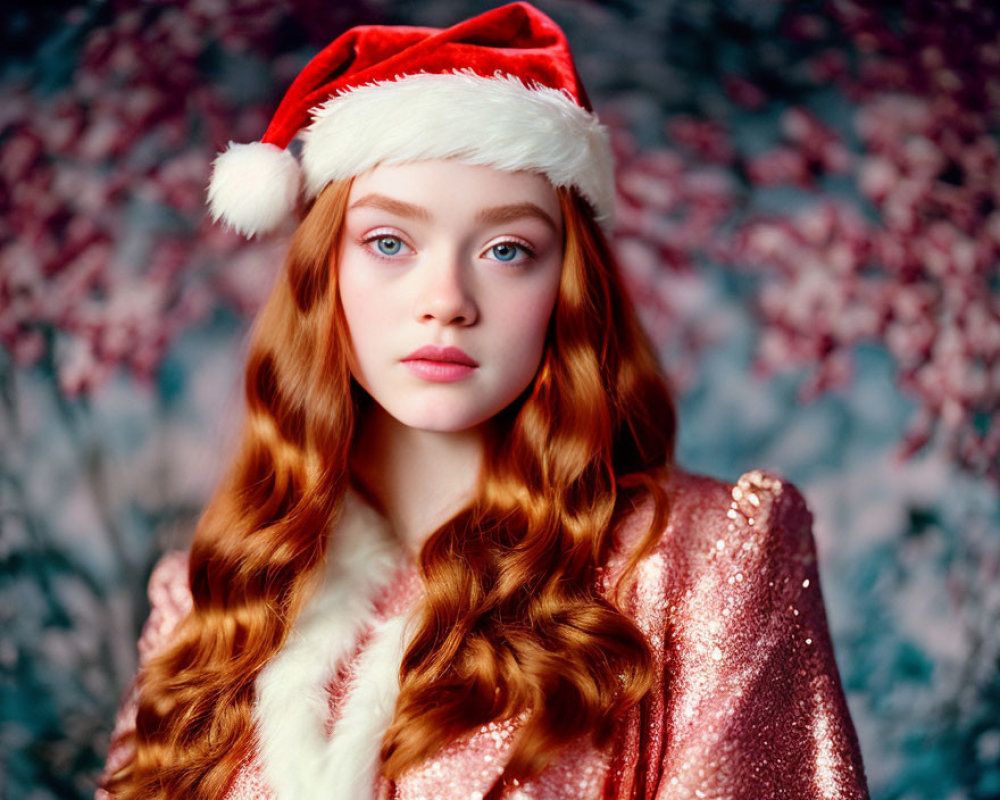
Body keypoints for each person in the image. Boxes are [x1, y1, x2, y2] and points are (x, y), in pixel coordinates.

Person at [98, 4, 870, 799]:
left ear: (567, 288)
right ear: (322, 274)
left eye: (507, 250)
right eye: (389, 242)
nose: (446, 300)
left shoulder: (708, 560)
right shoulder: (204, 596)